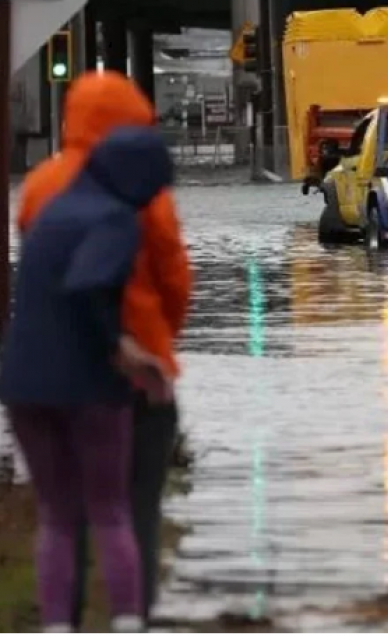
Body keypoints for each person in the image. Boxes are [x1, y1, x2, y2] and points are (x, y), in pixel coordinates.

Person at [16, 70, 192, 628]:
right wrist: (158, 344)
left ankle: (61, 617)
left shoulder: (41, 185)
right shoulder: (142, 195)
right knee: (128, 505)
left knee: (61, 513)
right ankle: (130, 614)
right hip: (125, 367)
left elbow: (36, 264)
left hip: (44, 367)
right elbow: (174, 278)